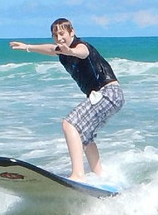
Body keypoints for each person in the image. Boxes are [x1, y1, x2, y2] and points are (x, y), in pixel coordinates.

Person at [9, 18, 124, 181]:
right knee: (85, 136)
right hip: (108, 95)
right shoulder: (61, 50)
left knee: (70, 124)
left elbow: (82, 52)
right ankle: (99, 176)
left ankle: (78, 175)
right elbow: (50, 49)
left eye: (62, 33)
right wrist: (28, 47)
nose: (59, 37)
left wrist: (71, 52)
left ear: (72, 32)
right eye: (55, 35)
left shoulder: (81, 45)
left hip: (108, 92)